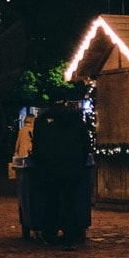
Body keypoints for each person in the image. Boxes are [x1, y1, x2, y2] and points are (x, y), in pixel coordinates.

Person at [27, 100, 93, 246]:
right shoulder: (77, 121)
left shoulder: (43, 122)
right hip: (72, 167)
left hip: (50, 167)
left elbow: (36, 146)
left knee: (52, 201)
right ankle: (71, 235)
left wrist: (41, 162)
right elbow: (86, 144)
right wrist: (80, 163)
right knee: (70, 202)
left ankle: (50, 233)